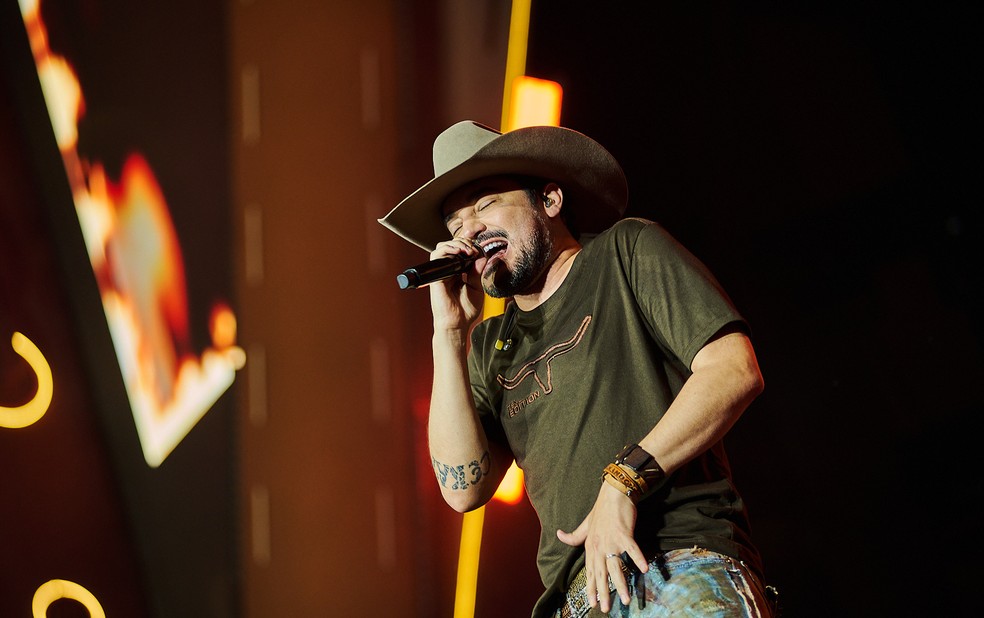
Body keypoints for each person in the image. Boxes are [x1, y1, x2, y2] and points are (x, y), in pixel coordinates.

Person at [379, 120, 774, 617]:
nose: (470, 232)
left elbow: (734, 368)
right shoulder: (487, 347)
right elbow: (463, 490)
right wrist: (449, 334)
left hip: (675, 564)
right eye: (455, 225)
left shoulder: (625, 251)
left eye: (485, 205)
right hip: (579, 601)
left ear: (550, 200)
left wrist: (624, 478)